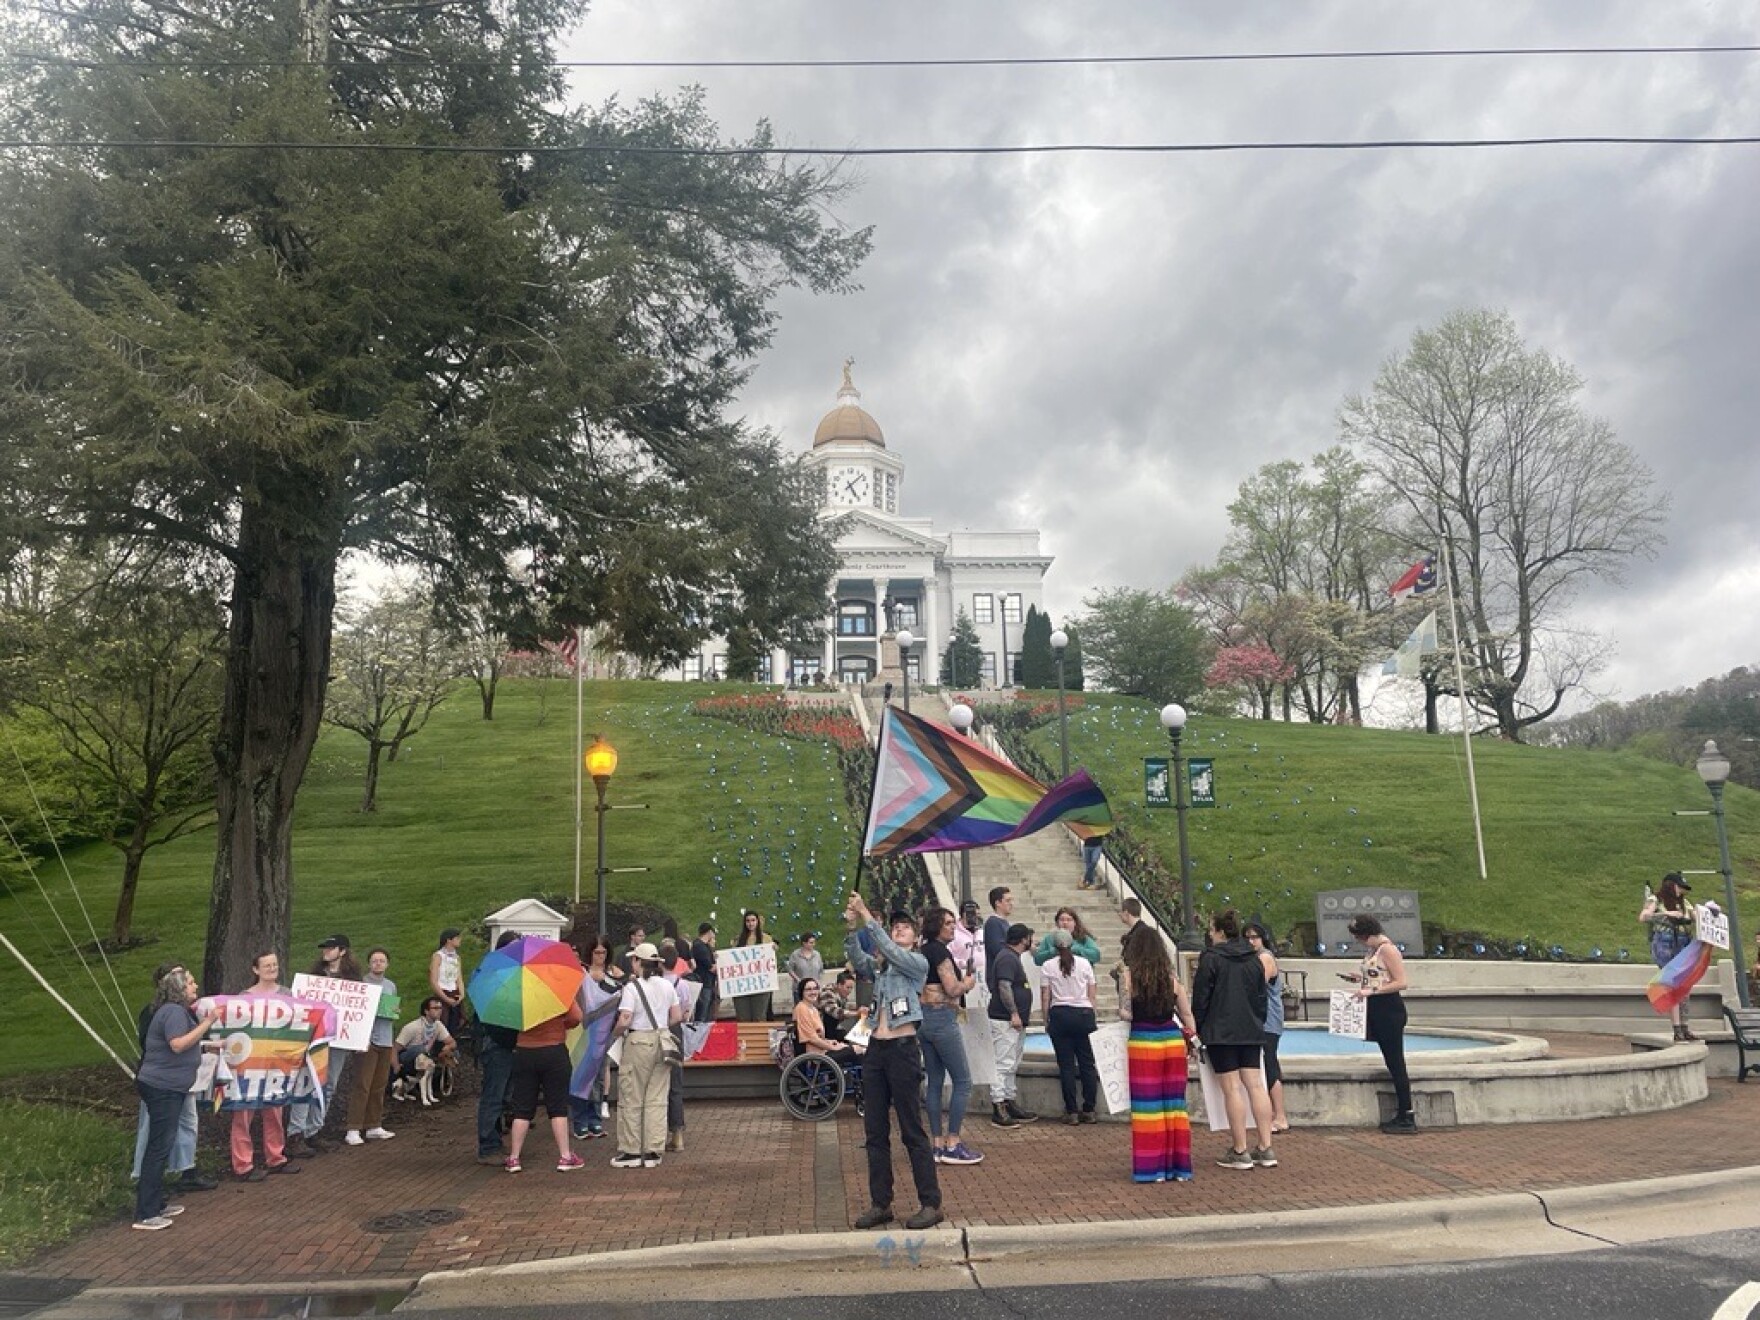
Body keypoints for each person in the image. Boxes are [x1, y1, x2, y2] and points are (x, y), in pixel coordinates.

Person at [843, 892, 943, 1231]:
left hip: (902, 1049)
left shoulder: (916, 963)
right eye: (895, 926)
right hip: (876, 1050)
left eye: (905, 927)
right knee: (875, 1131)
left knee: (912, 1129)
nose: (899, 929)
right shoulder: (883, 969)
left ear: (915, 938)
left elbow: (888, 949)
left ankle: (930, 1202)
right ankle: (880, 1203)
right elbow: (859, 959)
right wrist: (851, 928)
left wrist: (867, 915)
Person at [133, 968, 222, 1230]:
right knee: (159, 1147)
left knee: (162, 1144)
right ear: (179, 989)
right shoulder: (173, 1012)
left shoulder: (173, 1011)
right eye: (191, 983)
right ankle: (146, 1212)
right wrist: (208, 1023)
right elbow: (177, 1044)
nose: (195, 986)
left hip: (168, 1086)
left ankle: (156, 1202)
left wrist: (205, 1045)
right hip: (163, 1087)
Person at [1191, 909, 1277, 1170]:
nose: (1209, 933)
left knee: (1231, 1088)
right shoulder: (1254, 959)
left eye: (1211, 928)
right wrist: (1258, 1022)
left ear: (1219, 932)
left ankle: (1240, 1148)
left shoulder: (1211, 958)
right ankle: (1265, 1146)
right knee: (1255, 1085)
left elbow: (1201, 997)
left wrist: (1198, 1026)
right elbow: (1261, 996)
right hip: (1250, 1027)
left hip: (1221, 1030)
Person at [1118, 923, 1197, 1183]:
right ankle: (1179, 1167)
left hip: (1144, 1042)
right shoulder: (1172, 980)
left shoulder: (1128, 977)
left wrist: (1124, 1012)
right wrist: (1192, 1040)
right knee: (1175, 1105)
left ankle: (1152, 1169)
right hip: (1172, 1041)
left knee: (1148, 1107)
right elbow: (1186, 1014)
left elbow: (1126, 1012)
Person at [505, 954, 585, 1174]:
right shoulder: (557, 991)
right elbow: (576, 1017)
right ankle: (565, 1156)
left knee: (522, 1108)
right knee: (557, 1106)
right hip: (553, 1050)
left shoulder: (517, 995)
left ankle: (514, 1158)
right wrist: (562, 1024)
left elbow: (508, 1021)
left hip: (524, 1052)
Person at [919, 906, 982, 1166]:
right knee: (963, 1081)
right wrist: (968, 982)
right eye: (947, 923)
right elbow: (952, 988)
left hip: (924, 1019)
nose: (952, 927)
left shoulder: (922, 951)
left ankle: (936, 1143)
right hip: (942, 1019)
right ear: (936, 926)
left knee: (934, 1081)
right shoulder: (940, 952)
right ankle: (953, 1142)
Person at [286, 934, 360, 1157]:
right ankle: (296, 1133)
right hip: (315, 1039)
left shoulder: (353, 981)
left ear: (343, 951)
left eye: (331, 948)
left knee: (328, 1085)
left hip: (339, 1040)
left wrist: (358, 1035)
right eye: (325, 948)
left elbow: (360, 1011)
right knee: (306, 1083)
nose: (326, 951)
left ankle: (314, 1130)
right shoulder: (314, 978)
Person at [610, 942, 682, 1169]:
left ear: (637, 962)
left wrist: (614, 1035)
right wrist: (661, 1026)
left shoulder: (632, 988)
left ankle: (631, 1150)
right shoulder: (667, 985)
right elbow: (677, 1016)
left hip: (638, 1041)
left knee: (632, 1096)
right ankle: (653, 1151)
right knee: (657, 1098)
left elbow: (625, 1019)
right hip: (662, 1041)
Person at [230, 951, 299, 1181]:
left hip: (277, 1062)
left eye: (275, 964)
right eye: (267, 965)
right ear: (255, 970)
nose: (272, 968)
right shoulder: (244, 998)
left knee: (275, 1110)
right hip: (249, 1063)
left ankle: (276, 1157)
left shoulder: (287, 994)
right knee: (243, 1112)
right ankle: (242, 1164)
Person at [1345, 914, 1416, 1134]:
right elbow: (1381, 977)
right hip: (1378, 1008)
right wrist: (1361, 979)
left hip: (1389, 1009)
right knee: (1391, 1060)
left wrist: (1372, 991)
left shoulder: (1388, 950)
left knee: (1396, 1063)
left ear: (1368, 934)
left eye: (1360, 937)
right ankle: (1403, 1112)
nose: (1359, 941)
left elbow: (1401, 982)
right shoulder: (1373, 951)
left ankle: (1407, 1113)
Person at [1040, 928, 1100, 1124]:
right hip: (1083, 1014)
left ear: (1054, 946)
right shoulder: (1084, 964)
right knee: (1087, 1064)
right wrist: (1092, 1014)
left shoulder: (1048, 966)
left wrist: (1045, 1019)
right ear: (1072, 944)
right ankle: (1089, 1109)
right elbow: (1092, 993)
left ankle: (1071, 1110)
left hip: (1060, 1014)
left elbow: (1046, 996)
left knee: (1066, 1066)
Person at [474, 931, 522, 1165]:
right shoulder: (492, 976)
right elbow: (490, 1017)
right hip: (496, 1042)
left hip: (507, 1041)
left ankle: (495, 1138)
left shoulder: (505, 975)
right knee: (493, 1095)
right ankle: (488, 1145)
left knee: (504, 1095)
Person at [344, 947, 397, 1146]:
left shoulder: (390, 985)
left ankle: (374, 1125)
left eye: (382, 960)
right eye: (374, 960)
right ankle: (353, 1127)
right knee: (362, 1085)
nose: (378, 964)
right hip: (367, 1040)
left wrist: (394, 1010)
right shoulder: (362, 984)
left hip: (385, 1039)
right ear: (369, 964)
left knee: (379, 1085)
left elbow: (392, 1011)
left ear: (387, 964)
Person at [986, 922, 1038, 1128]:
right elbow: (1004, 986)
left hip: (1014, 1021)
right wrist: (1014, 1013)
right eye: (1029, 938)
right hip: (1005, 1019)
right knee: (1003, 1062)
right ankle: (998, 1105)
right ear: (1024, 939)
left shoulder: (1011, 957)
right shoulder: (1007, 958)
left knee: (1012, 1062)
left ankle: (1008, 1099)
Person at [568, 933, 620, 1141]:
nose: (600, 956)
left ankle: (594, 1118)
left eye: (604, 952)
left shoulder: (612, 975)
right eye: (597, 952)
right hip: (583, 1033)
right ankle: (580, 1121)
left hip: (603, 1034)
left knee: (598, 1077)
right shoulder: (581, 974)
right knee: (581, 1075)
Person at [1243, 921, 1291, 1134]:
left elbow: (1254, 986)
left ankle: (1280, 1115)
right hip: (1260, 1019)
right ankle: (1271, 1113)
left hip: (1268, 1019)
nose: (1251, 941)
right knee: (1264, 1063)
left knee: (1270, 1062)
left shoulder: (1265, 958)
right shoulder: (1254, 958)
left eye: (1254, 937)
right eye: (1247, 937)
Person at [1640, 872, 1698, 1041]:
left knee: (1685, 986)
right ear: (1670, 885)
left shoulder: (1684, 903)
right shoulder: (1656, 899)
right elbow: (1644, 916)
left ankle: (1685, 1026)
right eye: (1679, 887)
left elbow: (1695, 916)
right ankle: (1677, 1028)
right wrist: (1666, 914)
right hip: (1665, 944)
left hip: (1683, 943)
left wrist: (1707, 913)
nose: (1681, 891)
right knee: (1672, 984)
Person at [392, 997, 458, 1100]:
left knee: (454, 1053)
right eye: (435, 1008)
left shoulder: (438, 1025)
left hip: (425, 1058)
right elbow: (394, 1048)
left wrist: (447, 1048)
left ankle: (435, 1079)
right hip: (408, 1059)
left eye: (440, 1008)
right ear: (426, 1011)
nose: (439, 1011)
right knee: (421, 1050)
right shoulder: (412, 1027)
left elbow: (452, 1043)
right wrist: (396, 1067)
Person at [793, 979, 859, 1065]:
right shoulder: (802, 1009)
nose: (813, 992)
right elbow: (812, 1039)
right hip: (815, 1057)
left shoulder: (813, 1009)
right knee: (857, 1051)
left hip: (822, 1051)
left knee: (857, 1049)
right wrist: (833, 1047)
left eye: (815, 989)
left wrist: (831, 1042)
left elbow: (819, 1037)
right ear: (802, 992)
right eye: (808, 989)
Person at [731, 910, 777, 1022]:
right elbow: (731, 959)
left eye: (753, 920)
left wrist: (773, 950)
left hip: (761, 984)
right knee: (743, 1017)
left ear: (757, 921)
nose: (750, 923)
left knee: (759, 1017)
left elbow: (771, 960)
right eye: (748, 921)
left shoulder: (766, 938)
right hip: (742, 985)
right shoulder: (738, 940)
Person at [1032, 907, 1102, 969]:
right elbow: (1037, 959)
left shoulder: (1083, 938)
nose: (1065, 922)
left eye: (1069, 920)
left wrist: (1076, 950)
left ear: (1075, 923)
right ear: (1057, 923)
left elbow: (1096, 955)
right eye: (1062, 920)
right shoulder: (1049, 938)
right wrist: (1053, 952)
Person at [429, 929, 465, 1035]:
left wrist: (461, 994)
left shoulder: (457, 958)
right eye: (457, 938)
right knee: (442, 1024)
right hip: (442, 992)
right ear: (449, 940)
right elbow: (434, 980)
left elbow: (459, 978)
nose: (460, 940)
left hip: (454, 993)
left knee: (455, 1024)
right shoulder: (438, 956)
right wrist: (445, 998)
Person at [949, 900, 985, 985]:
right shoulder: (953, 934)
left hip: (983, 976)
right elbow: (948, 957)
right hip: (964, 976)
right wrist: (964, 964)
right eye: (971, 914)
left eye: (977, 914)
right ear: (963, 915)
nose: (975, 917)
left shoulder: (982, 932)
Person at [689, 922, 719, 1023]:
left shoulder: (702, 946)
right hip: (704, 983)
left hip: (706, 983)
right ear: (709, 932)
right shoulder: (700, 947)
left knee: (706, 1013)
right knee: (703, 1013)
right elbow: (710, 967)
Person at [982, 887, 1015, 969]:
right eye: (1007, 901)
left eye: (1011, 900)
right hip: (1000, 972)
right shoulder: (993, 923)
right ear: (998, 903)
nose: (1011, 904)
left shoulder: (1005, 923)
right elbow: (998, 950)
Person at [818, 970, 857, 1037]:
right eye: (848, 987)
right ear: (839, 985)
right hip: (821, 1027)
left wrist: (858, 1007)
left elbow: (845, 1006)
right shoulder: (827, 993)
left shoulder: (840, 993)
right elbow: (835, 1012)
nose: (850, 991)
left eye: (851, 988)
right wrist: (857, 1013)